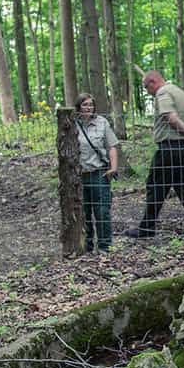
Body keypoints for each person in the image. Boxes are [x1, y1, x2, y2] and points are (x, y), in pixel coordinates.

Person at [123, 70, 184, 238]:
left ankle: (147, 228)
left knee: (154, 185)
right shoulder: (178, 91)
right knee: (183, 187)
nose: (148, 92)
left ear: (153, 82)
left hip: (170, 148)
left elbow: (171, 117)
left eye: (146, 88)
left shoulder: (163, 93)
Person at [75, 93, 120, 251]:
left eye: (91, 104)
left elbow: (112, 146)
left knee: (102, 211)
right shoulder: (72, 124)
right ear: (78, 106)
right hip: (79, 176)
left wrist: (113, 168)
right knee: (83, 213)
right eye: (85, 104)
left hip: (99, 173)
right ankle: (86, 246)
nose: (88, 107)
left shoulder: (102, 123)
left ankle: (104, 247)